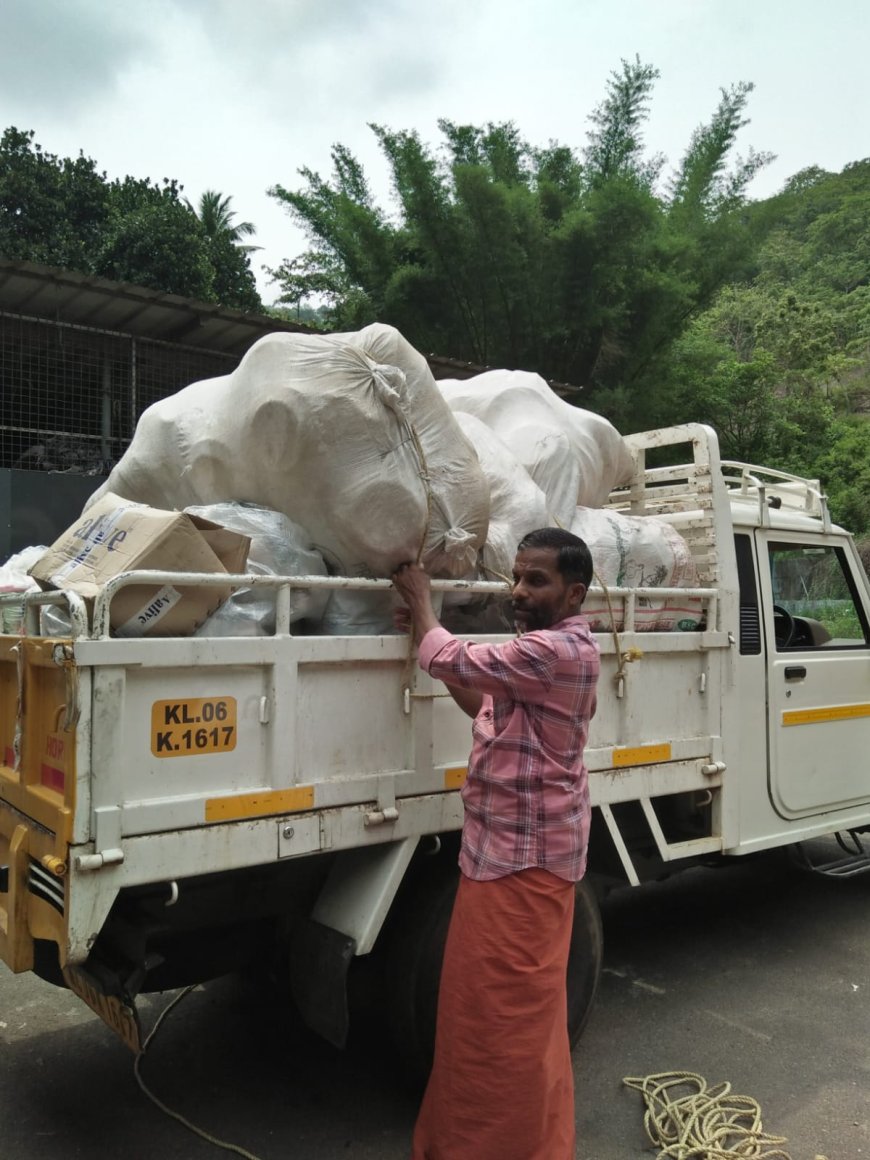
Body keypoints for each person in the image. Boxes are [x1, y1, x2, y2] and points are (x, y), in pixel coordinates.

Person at [391, 526, 600, 1160]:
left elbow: (454, 659)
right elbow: (483, 700)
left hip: (524, 870)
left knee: (502, 1024)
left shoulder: (557, 652)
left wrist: (422, 605)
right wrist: (420, 632)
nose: (517, 591)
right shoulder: (536, 659)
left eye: (536, 580)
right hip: (503, 863)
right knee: (484, 1016)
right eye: (517, 576)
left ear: (574, 593)